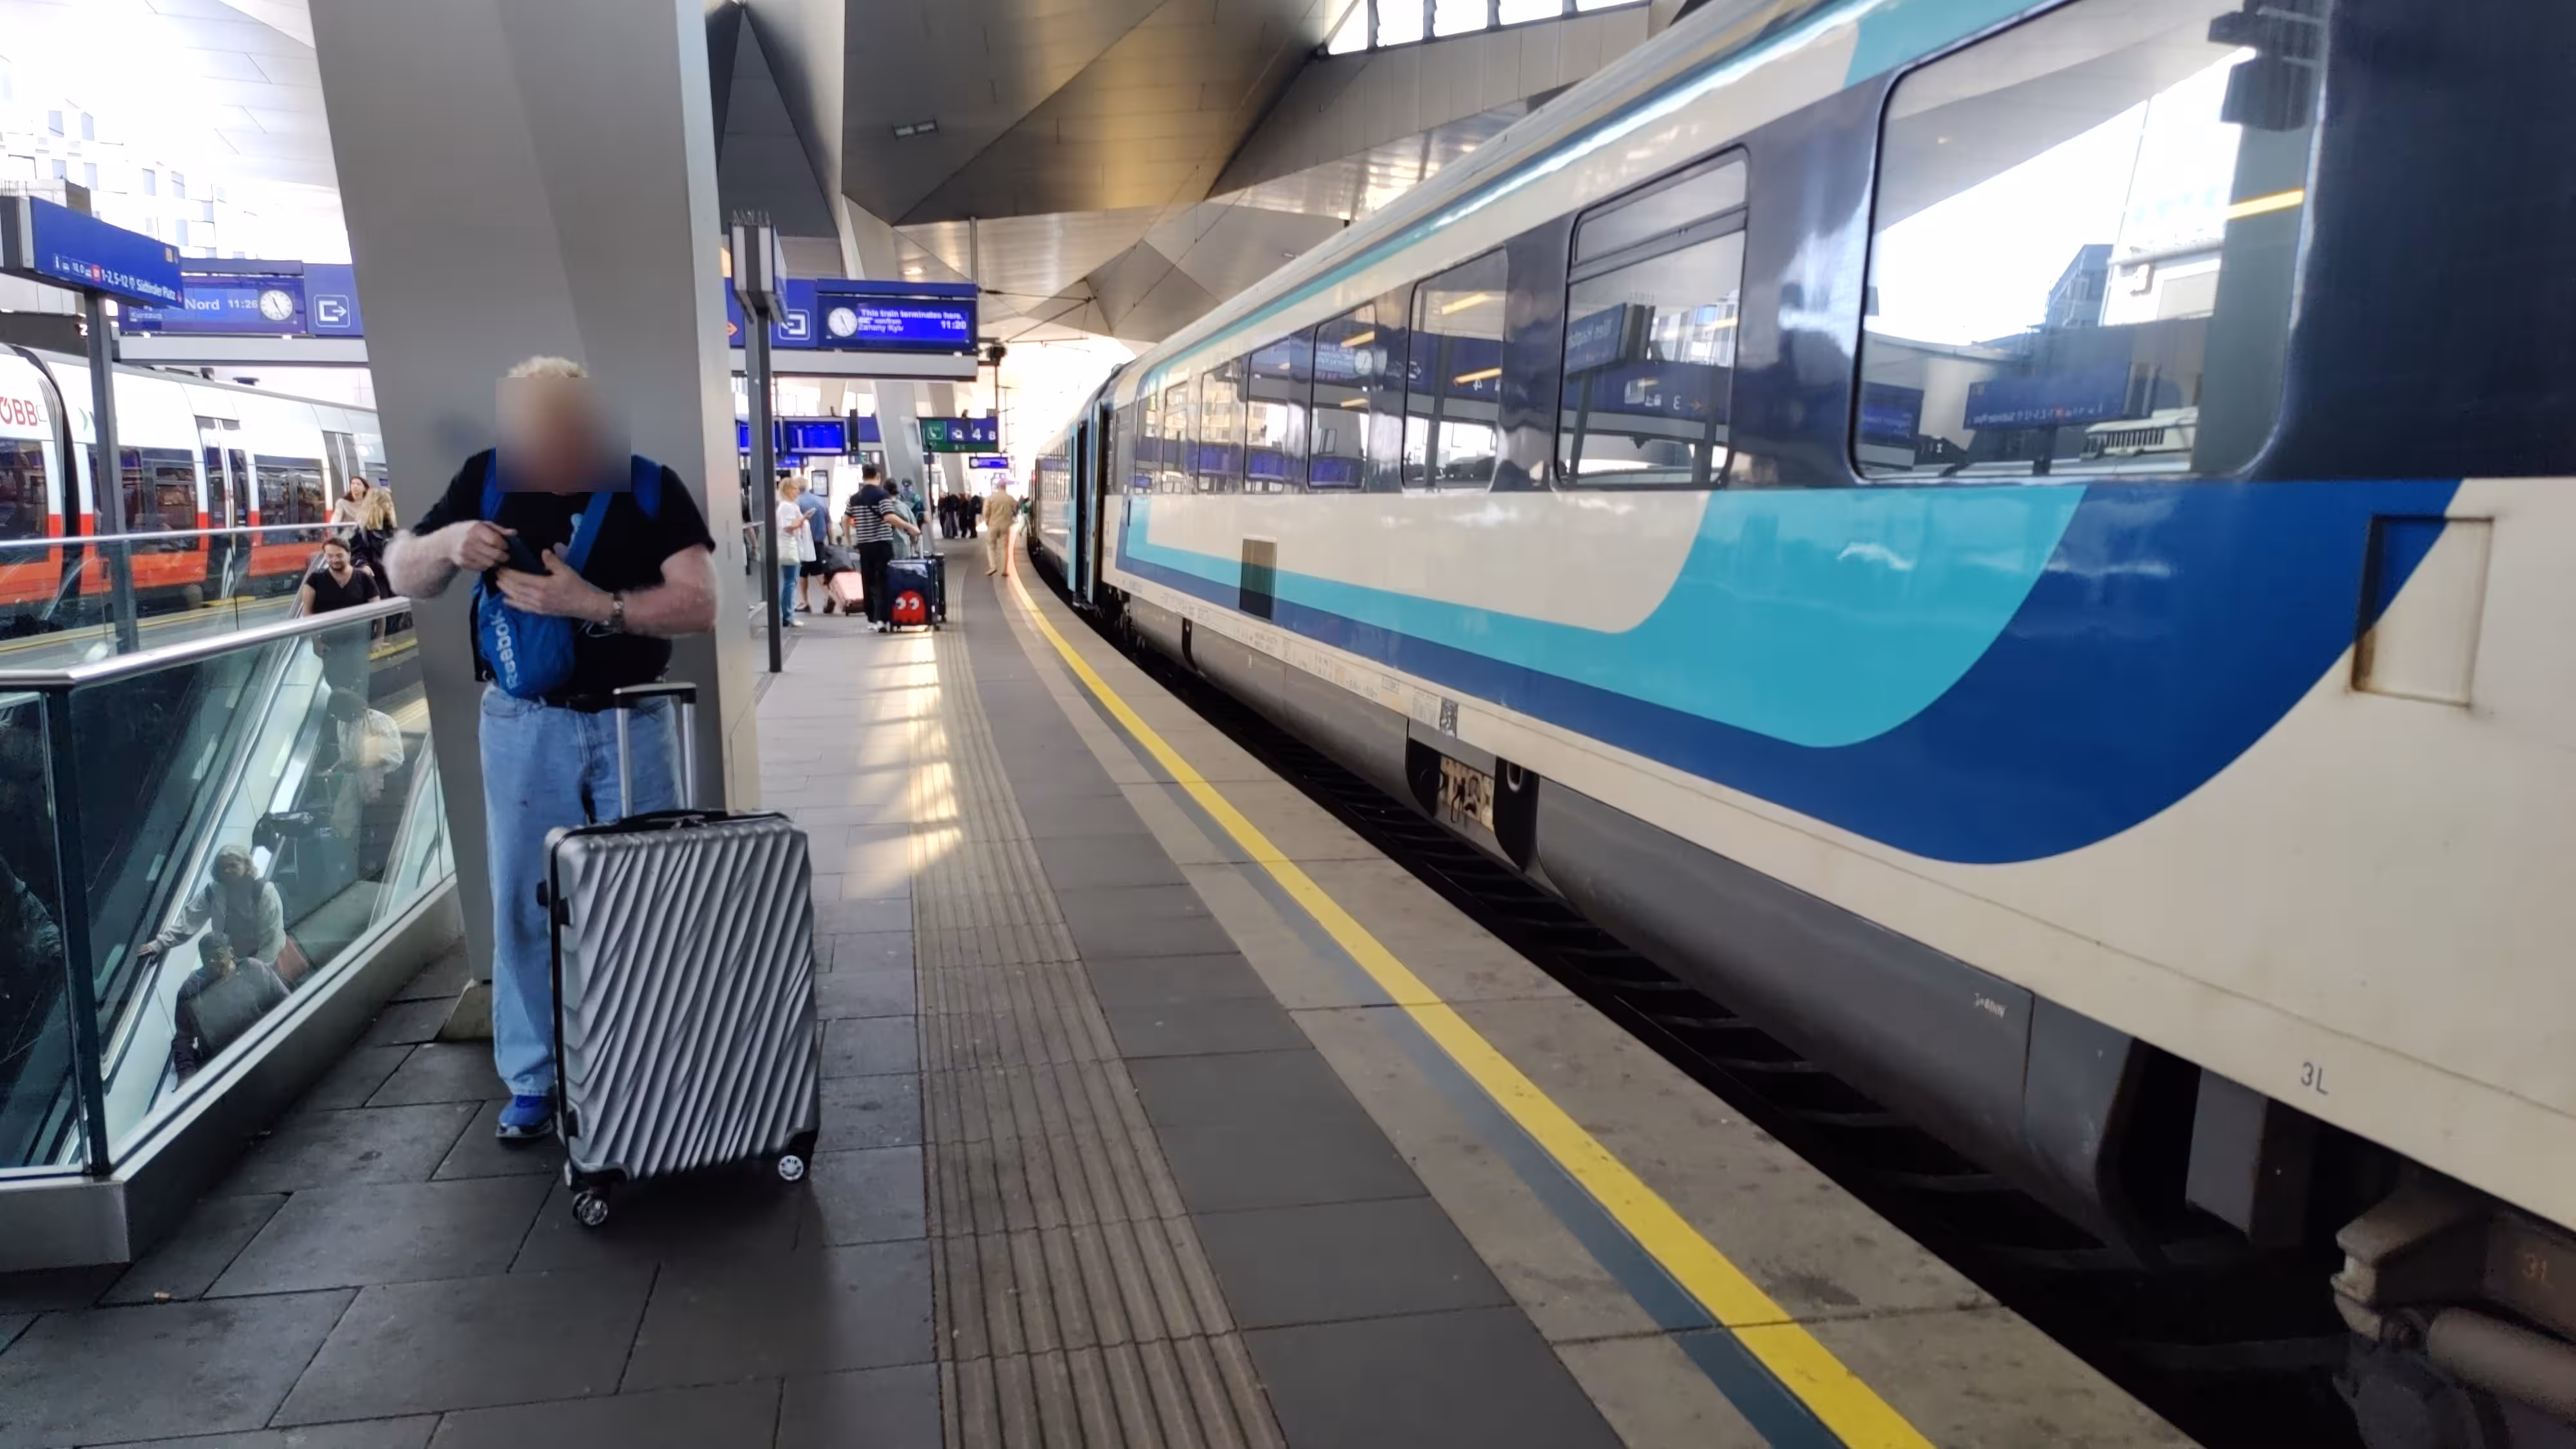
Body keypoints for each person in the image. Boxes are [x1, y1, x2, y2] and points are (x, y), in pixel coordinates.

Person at [382, 355, 717, 1140]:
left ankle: (651, 1063)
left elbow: (699, 603)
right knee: (526, 901)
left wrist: (592, 603)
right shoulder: (487, 482)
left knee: (647, 899)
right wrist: (452, 542)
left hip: (636, 718)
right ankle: (536, 1074)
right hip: (524, 724)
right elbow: (405, 569)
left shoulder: (646, 485)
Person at [139, 842, 286, 969]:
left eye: (233, 866)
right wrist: (160, 944)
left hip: (273, 960)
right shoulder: (214, 892)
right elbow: (189, 921)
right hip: (237, 961)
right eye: (223, 868)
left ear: (246, 865)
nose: (227, 871)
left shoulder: (264, 891)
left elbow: (272, 937)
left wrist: (257, 970)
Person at [169, 930, 292, 1079]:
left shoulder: (253, 969)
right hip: (224, 1066)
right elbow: (183, 1040)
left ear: (231, 953)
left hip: (266, 1046)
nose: (212, 964)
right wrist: (186, 1077)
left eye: (217, 957)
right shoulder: (191, 991)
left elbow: (286, 1002)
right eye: (206, 960)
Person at [842, 464, 920, 631]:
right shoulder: (882, 495)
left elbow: (845, 520)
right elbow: (889, 517)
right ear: (878, 476)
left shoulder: (854, 498)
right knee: (883, 581)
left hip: (864, 545)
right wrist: (909, 527)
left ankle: (871, 619)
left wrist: (849, 539)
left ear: (863, 477)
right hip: (882, 544)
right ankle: (883, 620)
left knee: (868, 581)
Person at [773, 477, 813, 630]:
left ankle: (787, 615)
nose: (798, 491)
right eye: (795, 488)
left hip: (790, 547)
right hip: (788, 548)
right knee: (790, 582)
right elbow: (788, 527)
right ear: (787, 490)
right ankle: (788, 616)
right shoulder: (787, 507)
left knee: (790, 582)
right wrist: (804, 518)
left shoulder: (788, 506)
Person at [347, 483, 398, 592]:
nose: (391, 506)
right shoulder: (362, 530)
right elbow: (357, 554)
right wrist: (363, 565)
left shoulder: (394, 526)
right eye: (388, 503)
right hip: (378, 578)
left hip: (396, 575)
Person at [793, 473, 831, 616]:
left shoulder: (797, 503)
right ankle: (829, 596)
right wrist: (830, 540)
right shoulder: (821, 501)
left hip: (804, 543)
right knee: (818, 571)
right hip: (819, 542)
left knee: (803, 572)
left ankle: (806, 602)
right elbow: (829, 523)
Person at [982, 480, 1018, 577]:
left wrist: (987, 519)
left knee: (991, 545)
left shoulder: (991, 498)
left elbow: (986, 512)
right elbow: (1015, 505)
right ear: (1005, 487)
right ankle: (1005, 570)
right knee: (1005, 548)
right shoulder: (1009, 498)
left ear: (997, 487)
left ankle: (993, 566)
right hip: (1005, 526)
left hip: (993, 524)